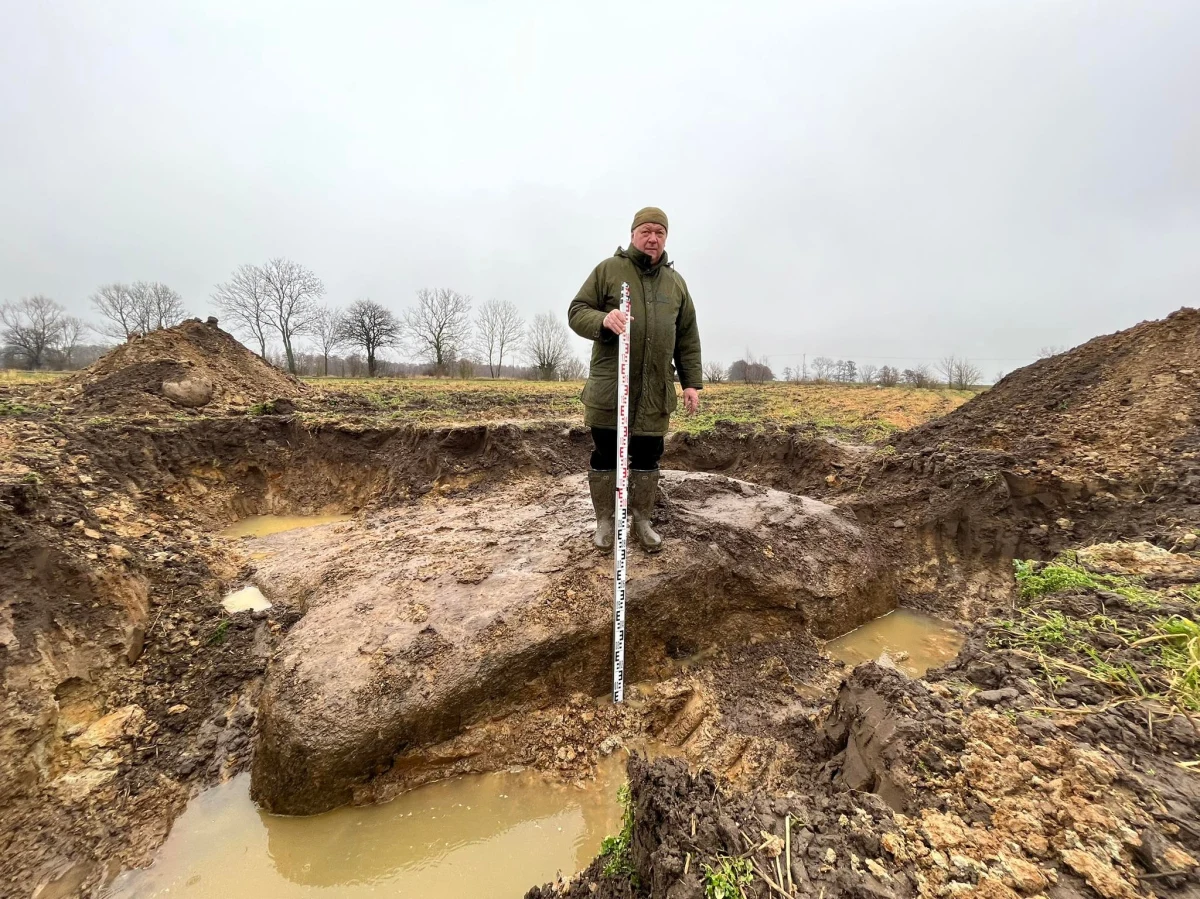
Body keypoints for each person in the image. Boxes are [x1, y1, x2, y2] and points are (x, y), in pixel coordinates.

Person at [568, 206, 703, 553]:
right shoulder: (608, 270)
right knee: (606, 454)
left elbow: (687, 336)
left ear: (666, 238)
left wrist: (690, 383)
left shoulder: (676, 284)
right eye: (646, 231)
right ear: (633, 234)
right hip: (611, 389)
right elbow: (577, 311)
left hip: (654, 392)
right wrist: (603, 320)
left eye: (660, 232)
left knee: (648, 456)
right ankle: (606, 521)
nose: (653, 238)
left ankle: (641, 521)